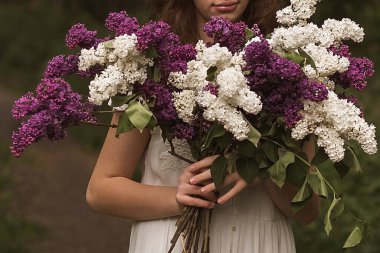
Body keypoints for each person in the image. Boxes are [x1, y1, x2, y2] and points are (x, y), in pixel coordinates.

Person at [86, 1, 321, 252]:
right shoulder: (149, 66)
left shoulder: (287, 68)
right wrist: (179, 197)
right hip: (171, 240)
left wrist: (260, 167)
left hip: (257, 242)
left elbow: (307, 212)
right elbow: (101, 190)